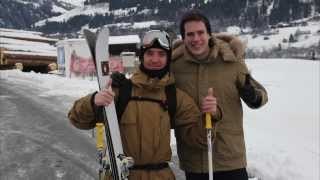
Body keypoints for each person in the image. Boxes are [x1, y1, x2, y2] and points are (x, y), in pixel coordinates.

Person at [68, 30, 221, 180]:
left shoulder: (175, 97)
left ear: (168, 59)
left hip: (161, 176)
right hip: (121, 174)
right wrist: (93, 101)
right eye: (150, 53)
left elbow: (199, 140)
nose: (155, 59)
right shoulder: (121, 91)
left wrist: (210, 117)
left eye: (161, 54)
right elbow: (77, 119)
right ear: (142, 56)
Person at [171, 10, 268, 180]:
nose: (196, 39)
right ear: (183, 38)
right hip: (195, 160)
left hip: (230, 157)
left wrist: (252, 95)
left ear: (209, 34)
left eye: (200, 33)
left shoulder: (230, 60)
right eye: (190, 34)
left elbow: (261, 96)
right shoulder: (175, 66)